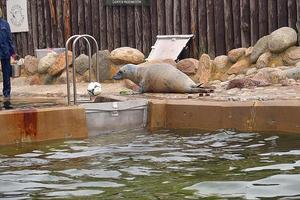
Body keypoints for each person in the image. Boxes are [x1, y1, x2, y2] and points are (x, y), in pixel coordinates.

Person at [0, 8, 16, 109]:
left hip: (5, 51)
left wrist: (12, 52)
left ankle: (6, 93)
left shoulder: (5, 24)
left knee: (6, 73)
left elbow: (9, 39)